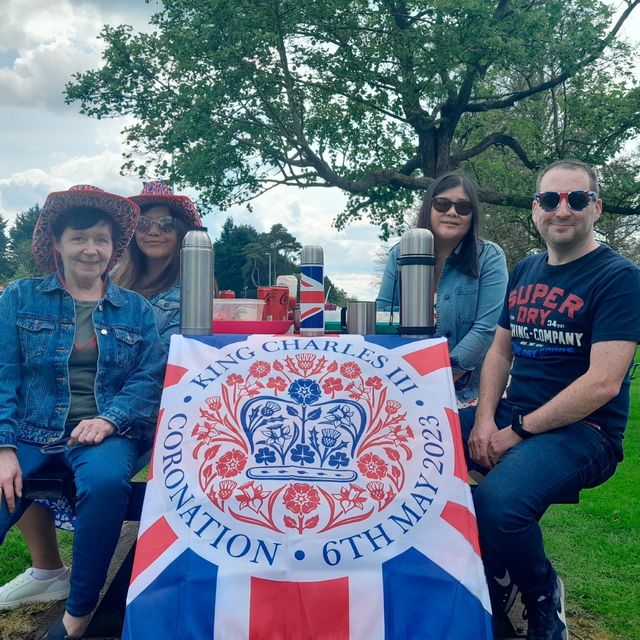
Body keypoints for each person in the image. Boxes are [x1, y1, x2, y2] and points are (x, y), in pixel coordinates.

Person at [0, 181, 202, 617]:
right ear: (56, 243)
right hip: (30, 428)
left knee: (107, 483)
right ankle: (47, 574)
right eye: (78, 238)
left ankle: (81, 608)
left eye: (101, 240)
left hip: (105, 429)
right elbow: (5, 373)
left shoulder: (136, 309)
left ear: (113, 248)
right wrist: (4, 446)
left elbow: (149, 378)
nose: (90, 249)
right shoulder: (19, 297)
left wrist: (110, 420)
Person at [460, 159, 640, 640]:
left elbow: (603, 383)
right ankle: (476, 576)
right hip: (513, 417)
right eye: (550, 199)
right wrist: (484, 419)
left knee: (499, 506)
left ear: (595, 208)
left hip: (586, 433)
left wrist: (513, 433)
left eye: (576, 199)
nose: (563, 210)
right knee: (413, 448)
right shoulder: (526, 268)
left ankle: (539, 593)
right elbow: (500, 349)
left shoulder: (620, 277)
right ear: (535, 208)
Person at [376, 171, 508, 404]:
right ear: (429, 207)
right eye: (442, 203)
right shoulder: (399, 254)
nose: (452, 212)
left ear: (472, 216)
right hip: (403, 381)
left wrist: (438, 376)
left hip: (467, 390)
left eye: (463, 207)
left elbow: (486, 330)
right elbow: (383, 315)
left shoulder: (489, 257)